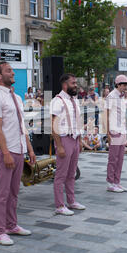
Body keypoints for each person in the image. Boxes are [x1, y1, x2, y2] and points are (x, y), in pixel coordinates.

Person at [0, 60, 36, 246]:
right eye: (9, 70)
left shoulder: (17, 97)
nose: (13, 73)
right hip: (5, 151)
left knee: (14, 192)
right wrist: (5, 152)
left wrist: (29, 149)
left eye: (12, 70)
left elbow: (21, 126)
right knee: (2, 193)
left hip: (19, 149)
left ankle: (11, 225)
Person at [51, 73, 85, 215]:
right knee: (61, 174)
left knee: (71, 173)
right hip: (64, 139)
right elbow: (54, 125)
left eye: (76, 83)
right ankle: (59, 205)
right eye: (73, 83)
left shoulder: (74, 100)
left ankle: (71, 201)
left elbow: (78, 120)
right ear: (65, 85)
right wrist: (59, 146)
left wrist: (80, 140)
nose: (76, 85)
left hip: (75, 139)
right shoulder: (57, 101)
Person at [106, 75, 127, 193]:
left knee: (120, 158)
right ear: (118, 84)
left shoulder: (122, 97)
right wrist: (107, 132)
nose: (126, 87)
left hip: (122, 131)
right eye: (124, 84)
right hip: (114, 131)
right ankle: (110, 183)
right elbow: (106, 114)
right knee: (113, 158)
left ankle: (117, 182)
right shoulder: (111, 96)